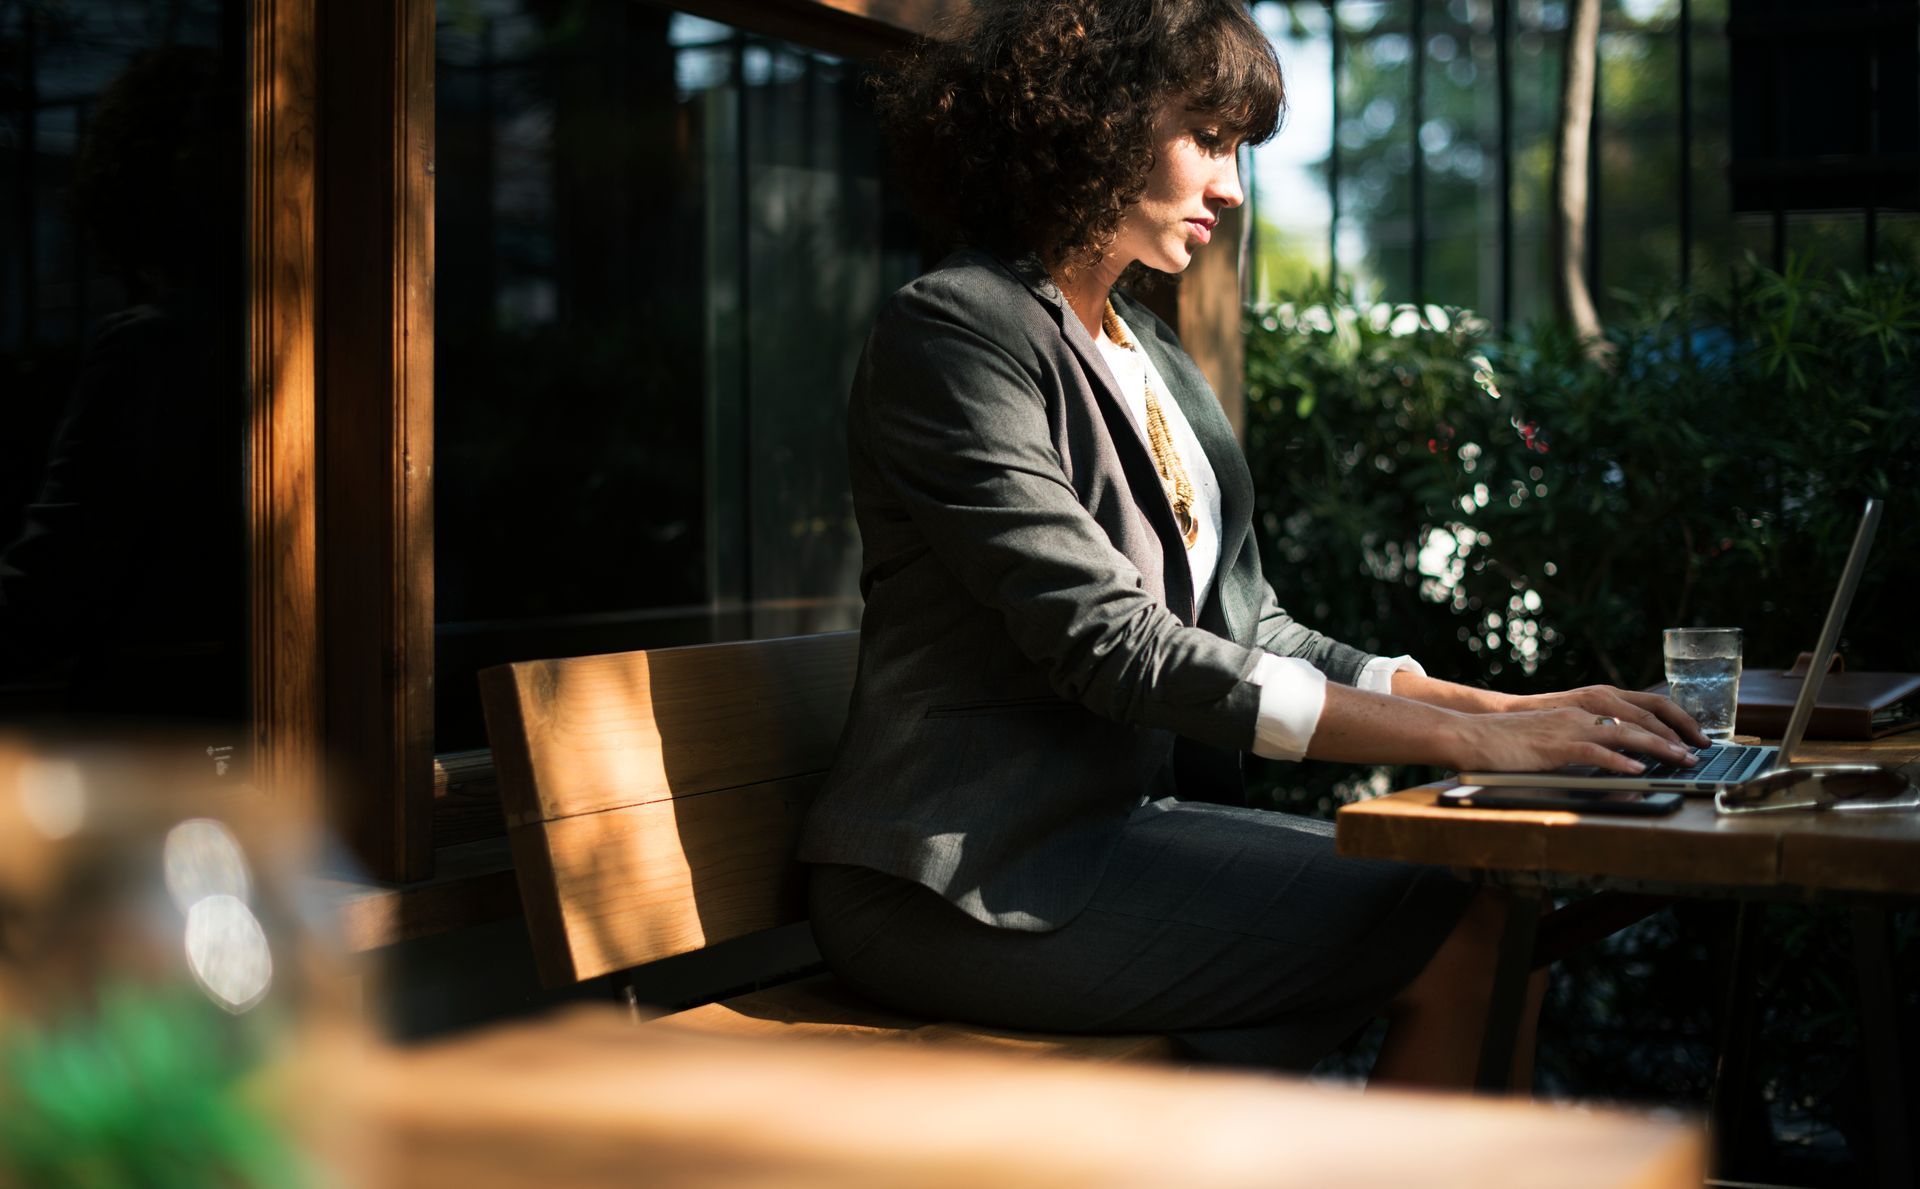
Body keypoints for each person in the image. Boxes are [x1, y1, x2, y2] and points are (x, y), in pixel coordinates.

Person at [796, 0, 1707, 1088]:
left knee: (1493, 905)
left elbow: (1247, 622)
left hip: (1110, 842)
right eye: (1209, 140)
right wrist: (1474, 750)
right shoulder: (956, 331)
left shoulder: (1154, 356)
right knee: (1466, 924)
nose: (1231, 187)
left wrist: (1501, 713)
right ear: (1096, 117)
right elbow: (1114, 644)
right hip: (959, 880)